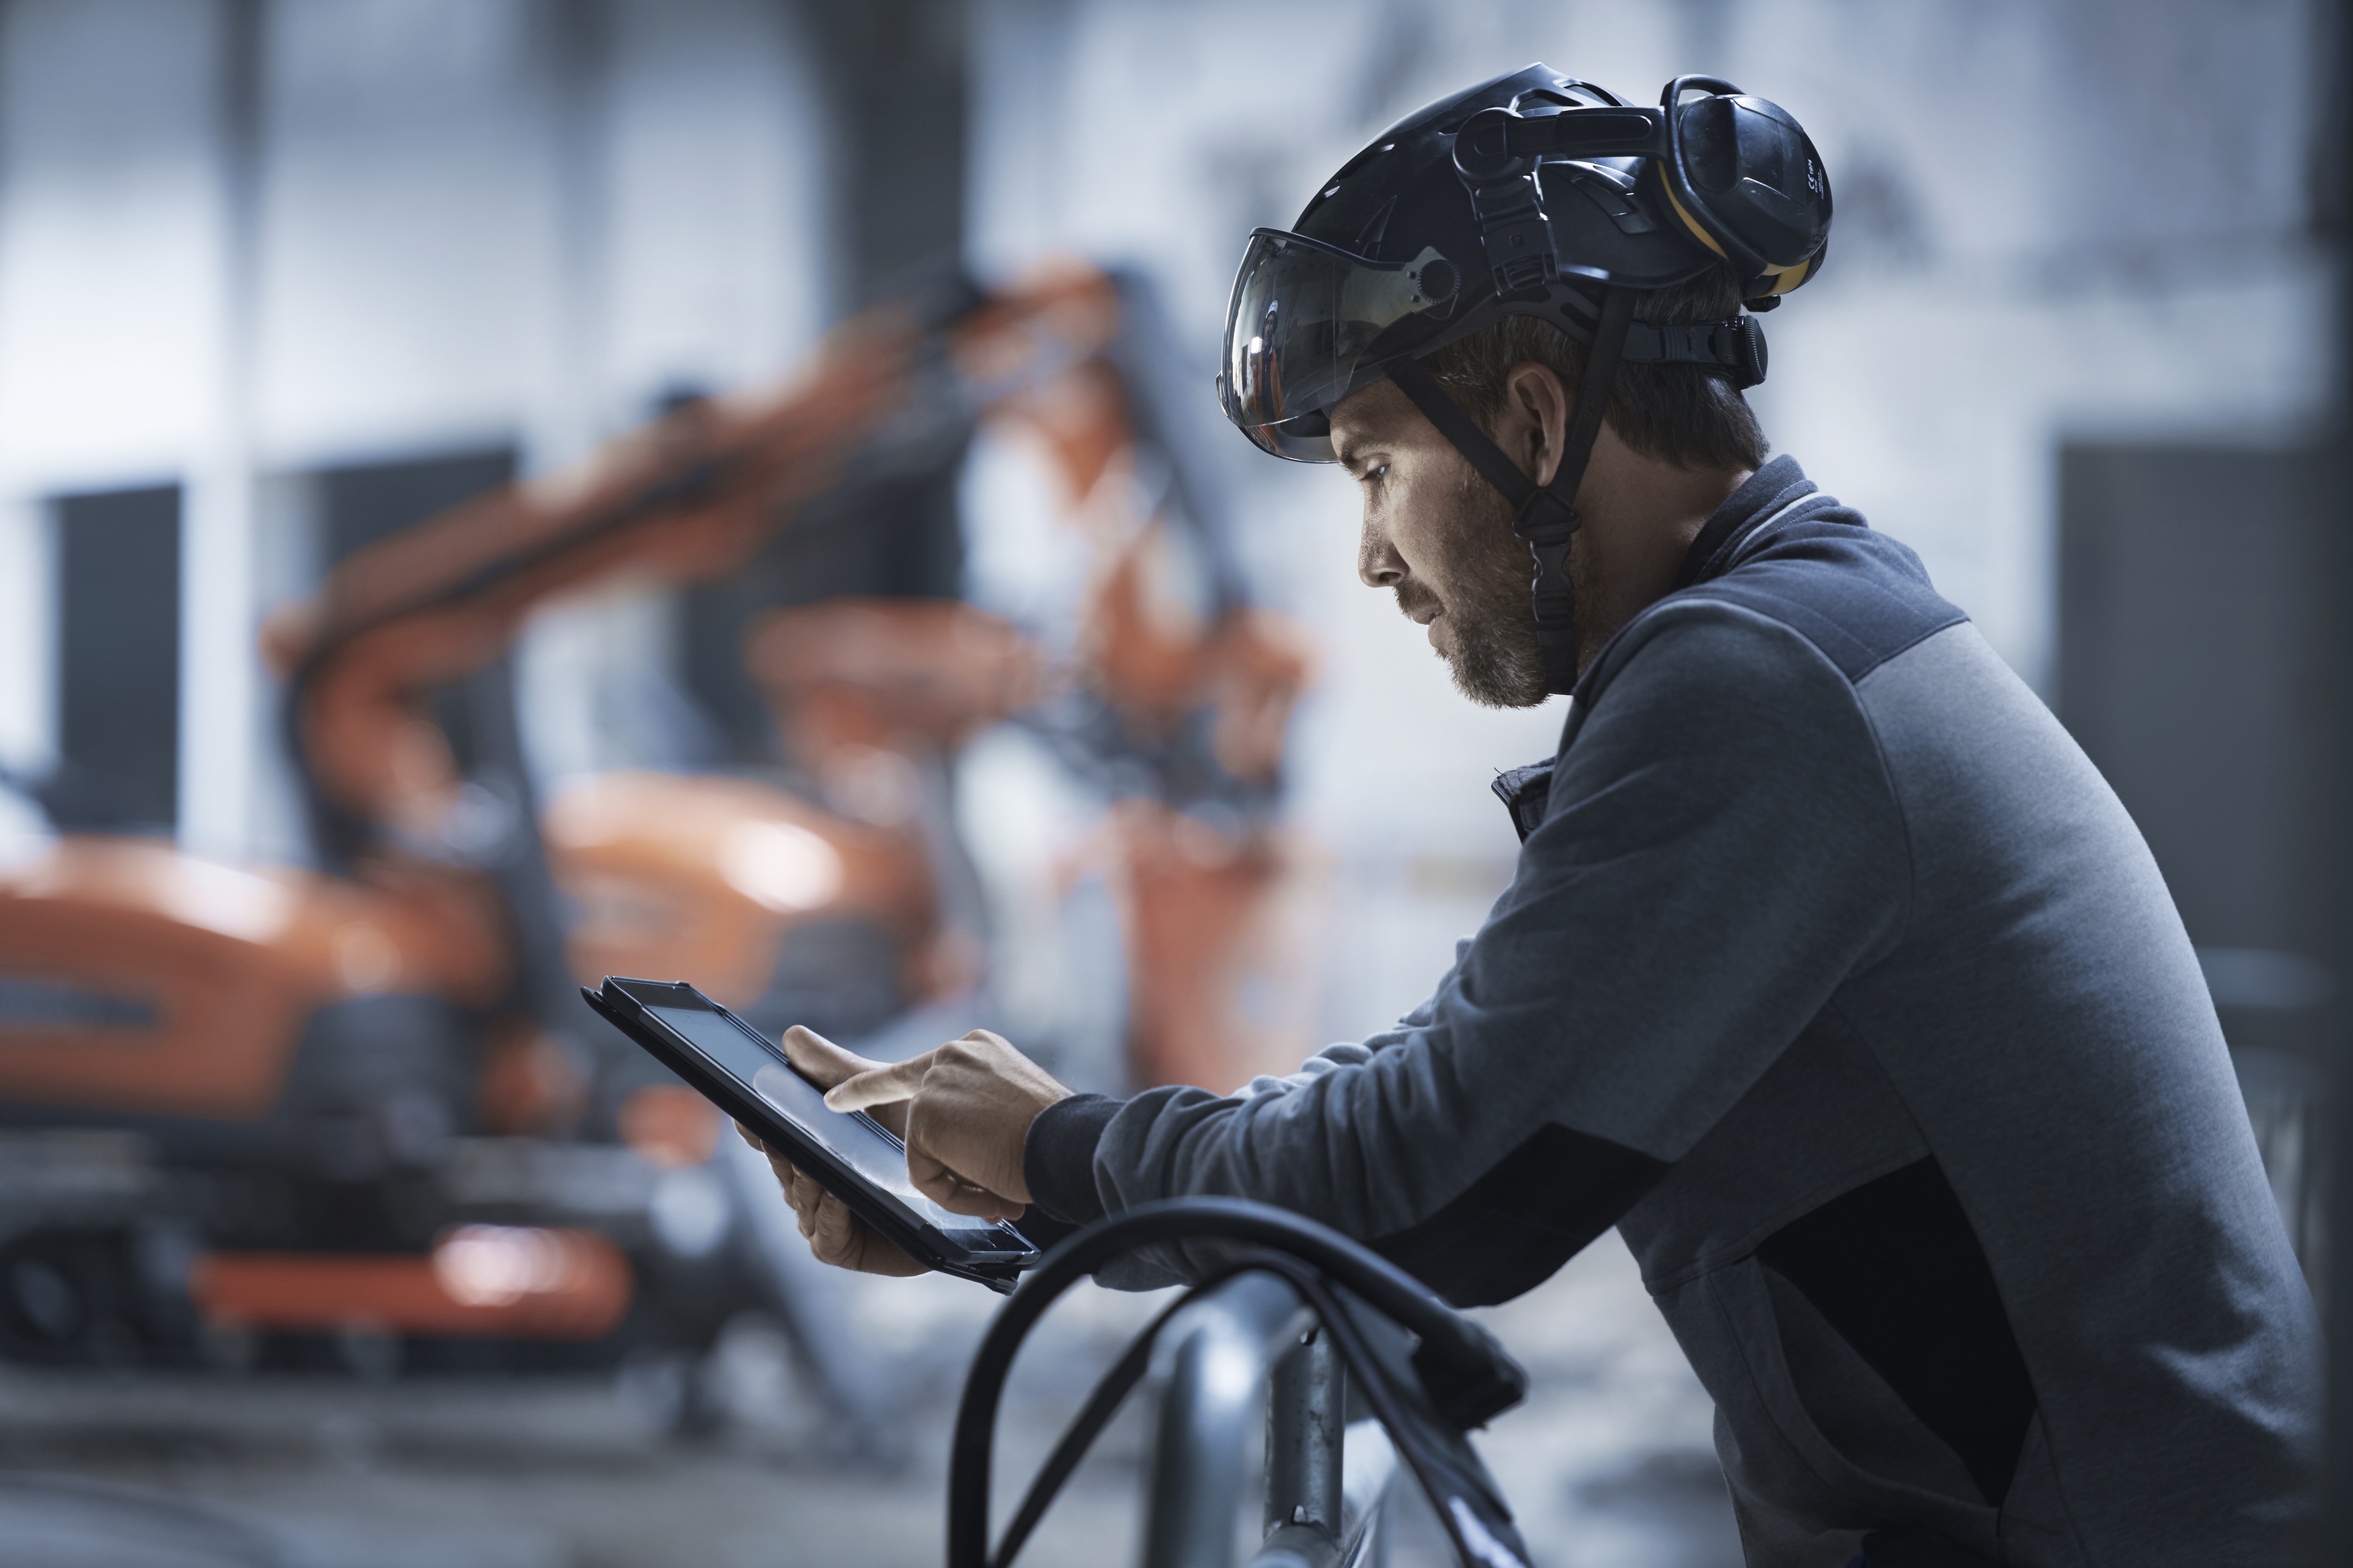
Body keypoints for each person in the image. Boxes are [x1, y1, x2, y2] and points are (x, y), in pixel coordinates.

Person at [743, 65, 2321, 1567]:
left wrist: (1067, 1151)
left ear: (1536, 419)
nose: (1369, 555)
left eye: (1373, 467)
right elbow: (1472, 1081)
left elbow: (1445, 1186)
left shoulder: (1757, 681)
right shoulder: (1799, 636)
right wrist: (1027, 1197)